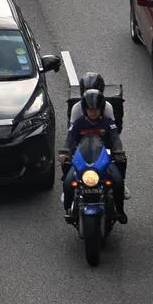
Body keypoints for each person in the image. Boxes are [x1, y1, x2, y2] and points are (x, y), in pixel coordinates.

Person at [61, 88, 127, 224]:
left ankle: (120, 211)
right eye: (90, 109)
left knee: (118, 181)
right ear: (85, 109)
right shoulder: (78, 123)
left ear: (101, 109)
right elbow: (69, 139)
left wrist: (119, 152)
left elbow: (115, 139)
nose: (93, 112)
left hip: (104, 159)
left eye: (96, 109)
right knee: (68, 183)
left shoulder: (109, 123)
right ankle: (68, 209)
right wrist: (65, 153)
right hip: (81, 158)